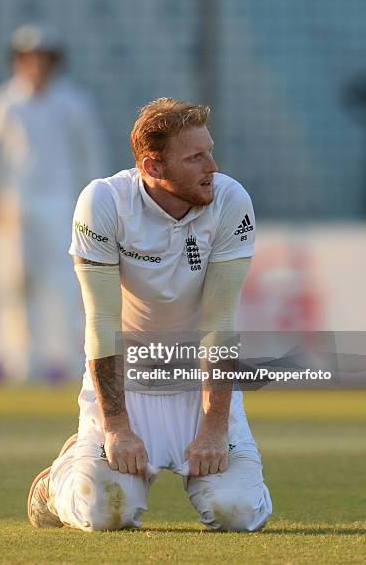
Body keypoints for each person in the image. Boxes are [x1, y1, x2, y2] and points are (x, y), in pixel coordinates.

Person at [27, 97, 272, 531]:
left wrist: (215, 429)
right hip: (129, 385)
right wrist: (116, 427)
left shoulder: (231, 200)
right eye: (195, 157)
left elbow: (221, 323)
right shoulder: (103, 201)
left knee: (238, 513)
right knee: (106, 512)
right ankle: (56, 482)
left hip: (198, 386)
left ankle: (228, 467)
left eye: (210, 151)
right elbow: (101, 321)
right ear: (153, 167)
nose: (212, 166)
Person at [0, 24, 108, 381]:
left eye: (43, 58)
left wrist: (97, 201)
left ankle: (77, 362)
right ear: (19, 60)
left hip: (62, 204)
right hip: (18, 202)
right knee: (17, 281)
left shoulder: (73, 102)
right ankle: (22, 363)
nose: (37, 65)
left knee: (67, 281)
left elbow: (91, 155)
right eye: (30, 57)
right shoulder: (4, 100)